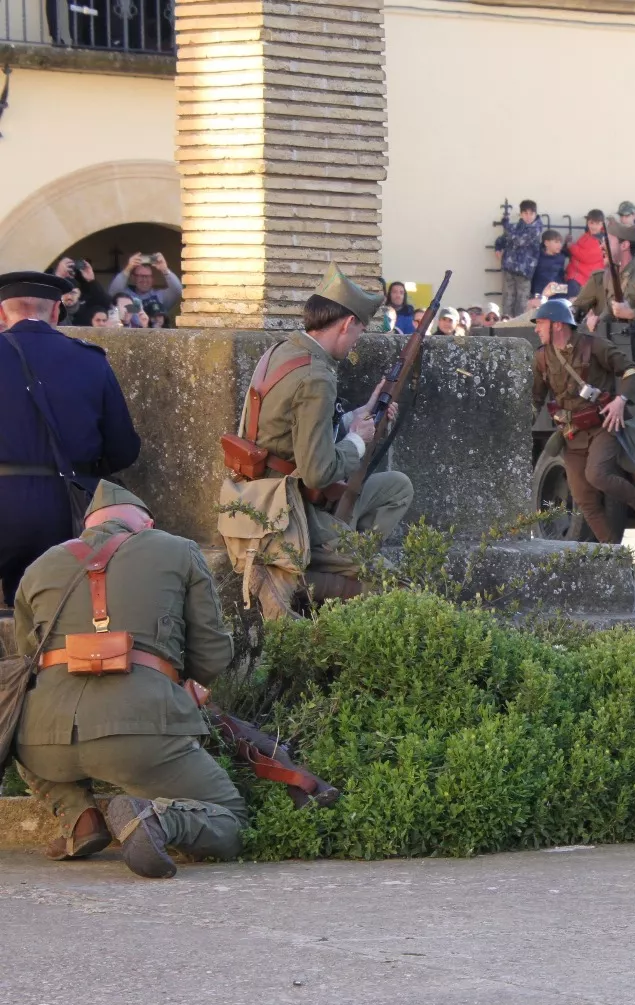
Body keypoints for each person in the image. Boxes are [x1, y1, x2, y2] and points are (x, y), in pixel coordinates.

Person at [10, 482, 242, 877]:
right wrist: (185, 688)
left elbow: (25, 661)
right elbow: (213, 653)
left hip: (40, 743)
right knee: (231, 819)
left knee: (27, 730)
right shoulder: (177, 549)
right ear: (146, 524)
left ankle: (79, 817)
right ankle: (153, 819)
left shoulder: (39, 567)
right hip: (141, 736)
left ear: (87, 527)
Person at [222, 264, 413, 605]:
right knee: (388, 581)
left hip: (260, 494)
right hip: (288, 514)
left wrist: (358, 414)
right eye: (359, 332)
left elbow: (295, 432)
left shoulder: (282, 351)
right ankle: (308, 583)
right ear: (347, 324)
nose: (356, 342)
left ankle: (341, 553)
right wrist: (357, 440)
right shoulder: (317, 376)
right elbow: (318, 471)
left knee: (396, 487)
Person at [0, 270, 141, 605]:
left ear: (2, 313)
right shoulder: (90, 360)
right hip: (66, 509)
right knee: (62, 615)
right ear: (55, 311)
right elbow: (123, 449)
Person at [530, 299, 635, 544]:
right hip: (572, 432)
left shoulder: (594, 345)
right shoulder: (541, 358)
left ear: (558, 325)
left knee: (597, 474)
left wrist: (621, 400)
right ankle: (613, 559)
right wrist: (521, 423)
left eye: (541, 323)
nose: (536, 329)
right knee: (583, 498)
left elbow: (631, 371)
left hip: (603, 425)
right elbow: (535, 398)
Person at [571, 220, 635, 358]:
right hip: (616, 354)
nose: (602, 246)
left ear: (624, 245)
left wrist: (631, 313)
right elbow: (611, 310)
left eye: (607, 242)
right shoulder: (610, 275)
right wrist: (594, 324)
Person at [494, 199, 541, 317]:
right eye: (525, 213)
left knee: (522, 301)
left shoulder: (536, 228)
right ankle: (505, 325)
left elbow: (519, 240)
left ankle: (519, 327)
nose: (529, 216)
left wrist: (506, 225)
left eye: (531, 213)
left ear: (535, 214)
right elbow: (503, 239)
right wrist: (498, 248)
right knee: (508, 299)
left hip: (525, 271)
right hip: (509, 267)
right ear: (521, 214)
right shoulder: (514, 227)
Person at [108, 252, 182, 315]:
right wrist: (128, 268)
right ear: (133, 278)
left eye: (147, 276)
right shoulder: (126, 295)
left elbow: (177, 290)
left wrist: (165, 270)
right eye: (140, 276)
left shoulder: (160, 296)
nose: (144, 279)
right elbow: (113, 292)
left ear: (153, 279)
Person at [565, 209, 607, 290]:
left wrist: (570, 246)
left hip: (585, 279)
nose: (594, 226)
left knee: (568, 293)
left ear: (602, 224)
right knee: (555, 289)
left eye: (597, 223)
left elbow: (585, 256)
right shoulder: (586, 235)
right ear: (587, 223)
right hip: (574, 275)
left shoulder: (602, 241)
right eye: (591, 223)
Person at [530, 230, 571, 306]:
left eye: (560, 242)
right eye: (556, 242)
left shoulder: (561, 257)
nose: (559, 245)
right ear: (546, 243)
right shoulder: (538, 257)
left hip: (557, 290)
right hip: (540, 291)